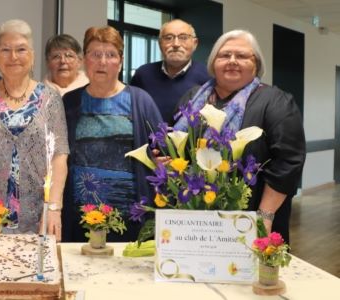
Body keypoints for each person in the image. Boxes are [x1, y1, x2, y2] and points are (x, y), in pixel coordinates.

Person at [174, 29, 306, 242]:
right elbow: (176, 145)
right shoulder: (193, 98)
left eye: (242, 56)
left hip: (253, 217)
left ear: (256, 64)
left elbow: (288, 163)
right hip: (194, 218)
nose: (232, 61)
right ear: (213, 62)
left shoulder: (275, 101)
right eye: (224, 55)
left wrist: (265, 216)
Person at [0, 19, 68, 240]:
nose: (13, 57)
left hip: (39, 214)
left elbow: (59, 157)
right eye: (5, 50)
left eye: (21, 49)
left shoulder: (51, 99)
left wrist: (54, 209)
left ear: (33, 55)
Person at [62, 26, 162, 243]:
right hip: (79, 220)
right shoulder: (69, 102)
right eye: (95, 54)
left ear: (121, 60)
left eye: (110, 55)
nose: (102, 62)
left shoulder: (141, 101)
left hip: (131, 221)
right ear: (84, 59)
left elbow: (162, 152)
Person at [130, 19, 210, 125]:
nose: (176, 44)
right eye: (168, 38)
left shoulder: (208, 77)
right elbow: (130, 113)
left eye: (183, 38)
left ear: (195, 43)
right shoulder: (143, 74)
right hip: (148, 141)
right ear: (159, 44)